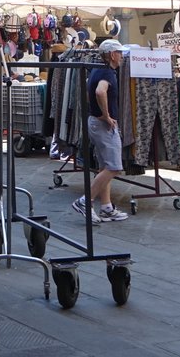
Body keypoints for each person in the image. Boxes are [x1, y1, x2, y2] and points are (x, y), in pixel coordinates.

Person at [72, 39, 129, 223]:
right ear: (112, 54)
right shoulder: (108, 73)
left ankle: (106, 207)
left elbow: (91, 91)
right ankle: (85, 201)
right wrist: (105, 115)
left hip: (94, 122)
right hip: (103, 125)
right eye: (119, 53)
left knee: (105, 166)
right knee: (114, 167)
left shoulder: (96, 68)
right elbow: (99, 92)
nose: (121, 57)